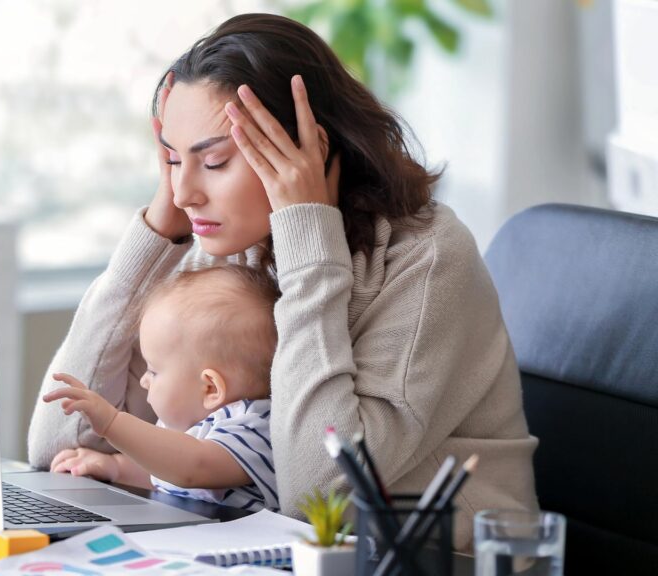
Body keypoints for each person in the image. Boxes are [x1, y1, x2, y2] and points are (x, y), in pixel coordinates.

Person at [27, 13, 538, 549]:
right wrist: (157, 234)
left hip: (434, 559)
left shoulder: (428, 259)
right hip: (262, 546)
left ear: (308, 149)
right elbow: (57, 444)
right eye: (173, 161)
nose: (184, 192)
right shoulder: (237, 243)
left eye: (215, 161)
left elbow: (319, 495)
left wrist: (308, 243)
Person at [44, 264, 280, 512]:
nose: (144, 381)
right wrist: (114, 467)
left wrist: (112, 423)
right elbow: (164, 473)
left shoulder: (254, 425)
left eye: (153, 371)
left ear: (210, 388)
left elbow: (192, 468)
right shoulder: (187, 432)